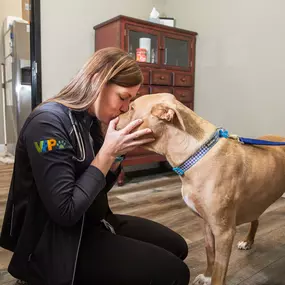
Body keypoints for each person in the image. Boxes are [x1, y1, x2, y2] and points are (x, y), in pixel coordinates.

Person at [0, 47, 190, 285]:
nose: (124, 108)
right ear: (97, 81)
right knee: (175, 274)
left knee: (178, 248)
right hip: (55, 242)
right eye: (123, 97)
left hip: (92, 221)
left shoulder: (91, 121)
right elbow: (65, 211)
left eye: (129, 100)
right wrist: (107, 153)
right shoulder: (47, 124)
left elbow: (96, 190)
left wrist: (117, 156)